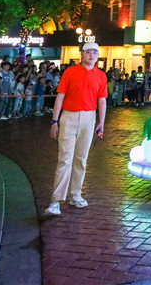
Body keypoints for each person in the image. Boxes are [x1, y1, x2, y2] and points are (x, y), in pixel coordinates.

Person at [44, 43, 107, 216]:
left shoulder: (101, 76)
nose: (92, 55)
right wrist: (54, 121)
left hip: (89, 117)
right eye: (88, 52)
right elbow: (60, 97)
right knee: (65, 159)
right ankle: (56, 200)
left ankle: (75, 194)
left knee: (81, 159)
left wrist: (101, 121)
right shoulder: (70, 72)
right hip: (69, 116)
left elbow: (102, 100)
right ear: (82, 54)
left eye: (95, 52)